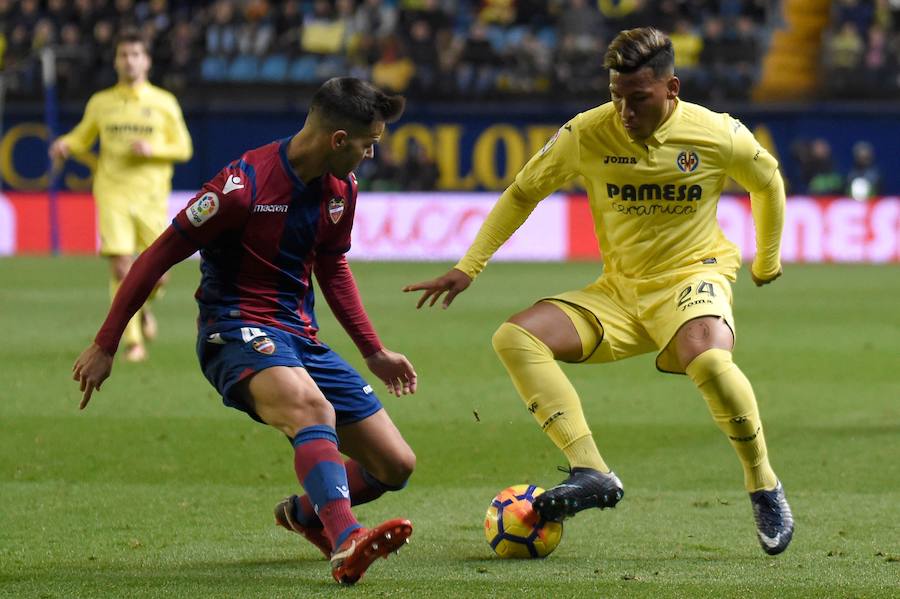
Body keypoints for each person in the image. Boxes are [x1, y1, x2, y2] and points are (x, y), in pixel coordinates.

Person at [405, 27, 794, 556]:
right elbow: (523, 192)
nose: (625, 113)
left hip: (691, 277)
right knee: (515, 338)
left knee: (709, 362)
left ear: (671, 88)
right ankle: (591, 471)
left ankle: (763, 484)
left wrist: (765, 260)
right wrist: (468, 266)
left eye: (638, 100)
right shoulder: (587, 134)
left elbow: (767, 181)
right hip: (619, 292)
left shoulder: (716, 134)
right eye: (616, 98)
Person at [72, 77, 418, 584]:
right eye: (368, 144)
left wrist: (373, 350)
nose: (370, 155)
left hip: (299, 336)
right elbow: (158, 255)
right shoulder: (242, 186)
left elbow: (332, 266)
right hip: (233, 330)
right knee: (313, 409)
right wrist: (106, 343)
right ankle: (347, 538)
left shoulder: (341, 190)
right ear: (338, 140)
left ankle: (306, 513)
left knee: (395, 465)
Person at [50, 28, 193, 362]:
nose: (129, 61)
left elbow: (184, 147)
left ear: (147, 61)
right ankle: (132, 343)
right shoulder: (102, 103)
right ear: (116, 61)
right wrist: (65, 144)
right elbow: (82, 137)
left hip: (151, 198)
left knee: (158, 275)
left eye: (135, 55)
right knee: (120, 268)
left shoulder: (163, 102)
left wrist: (153, 148)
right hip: (112, 191)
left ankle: (141, 310)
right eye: (123, 55)